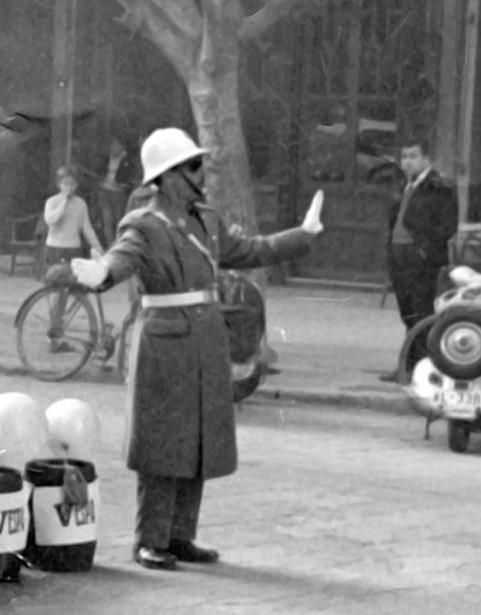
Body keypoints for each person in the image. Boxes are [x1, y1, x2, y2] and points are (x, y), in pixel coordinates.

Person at [70, 128, 324, 571]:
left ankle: (181, 536)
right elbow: (121, 256)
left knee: (198, 438)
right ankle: (150, 539)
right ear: (167, 177)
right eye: (191, 166)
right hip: (165, 341)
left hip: (205, 338)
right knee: (162, 440)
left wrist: (302, 234)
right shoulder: (143, 224)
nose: (200, 173)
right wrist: (102, 273)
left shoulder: (205, 218)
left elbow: (246, 250)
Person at [381, 136, 458, 383]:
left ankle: (421, 366)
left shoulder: (440, 186)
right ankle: (408, 363)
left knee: (422, 311)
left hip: (422, 259)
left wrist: (423, 249)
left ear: (426, 159)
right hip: (400, 256)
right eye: (404, 157)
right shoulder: (404, 184)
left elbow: (447, 226)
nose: (408, 162)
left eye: (413, 157)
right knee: (408, 313)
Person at [96, 136, 140, 245]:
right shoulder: (106, 157)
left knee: (118, 217)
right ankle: (109, 242)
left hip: (118, 192)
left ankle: (119, 241)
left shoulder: (127, 159)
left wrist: (123, 183)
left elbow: (130, 176)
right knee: (107, 217)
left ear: (122, 146)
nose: (113, 148)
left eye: (116, 145)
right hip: (105, 190)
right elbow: (98, 171)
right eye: (112, 145)